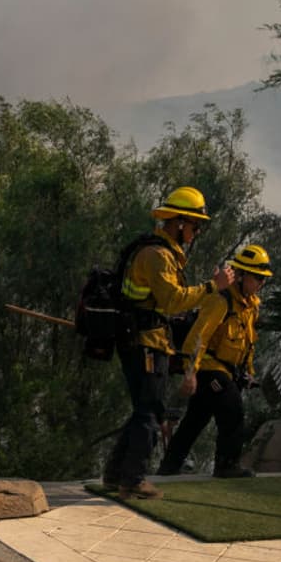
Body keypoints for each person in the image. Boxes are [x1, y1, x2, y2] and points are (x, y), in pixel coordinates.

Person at [102, 186, 235, 500]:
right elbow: (173, 300)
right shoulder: (157, 256)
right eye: (194, 224)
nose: (197, 231)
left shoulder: (162, 253)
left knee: (143, 410)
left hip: (149, 340)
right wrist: (211, 287)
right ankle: (133, 479)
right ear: (178, 223)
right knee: (150, 411)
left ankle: (114, 474)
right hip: (145, 343)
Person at [156, 244, 272, 479]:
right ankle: (226, 465)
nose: (261, 283)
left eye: (263, 279)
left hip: (227, 371)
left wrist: (247, 372)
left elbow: (247, 343)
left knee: (195, 420)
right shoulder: (221, 301)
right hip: (209, 368)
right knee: (233, 410)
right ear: (240, 276)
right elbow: (198, 337)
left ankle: (168, 468)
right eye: (257, 277)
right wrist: (190, 373)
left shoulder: (250, 307)